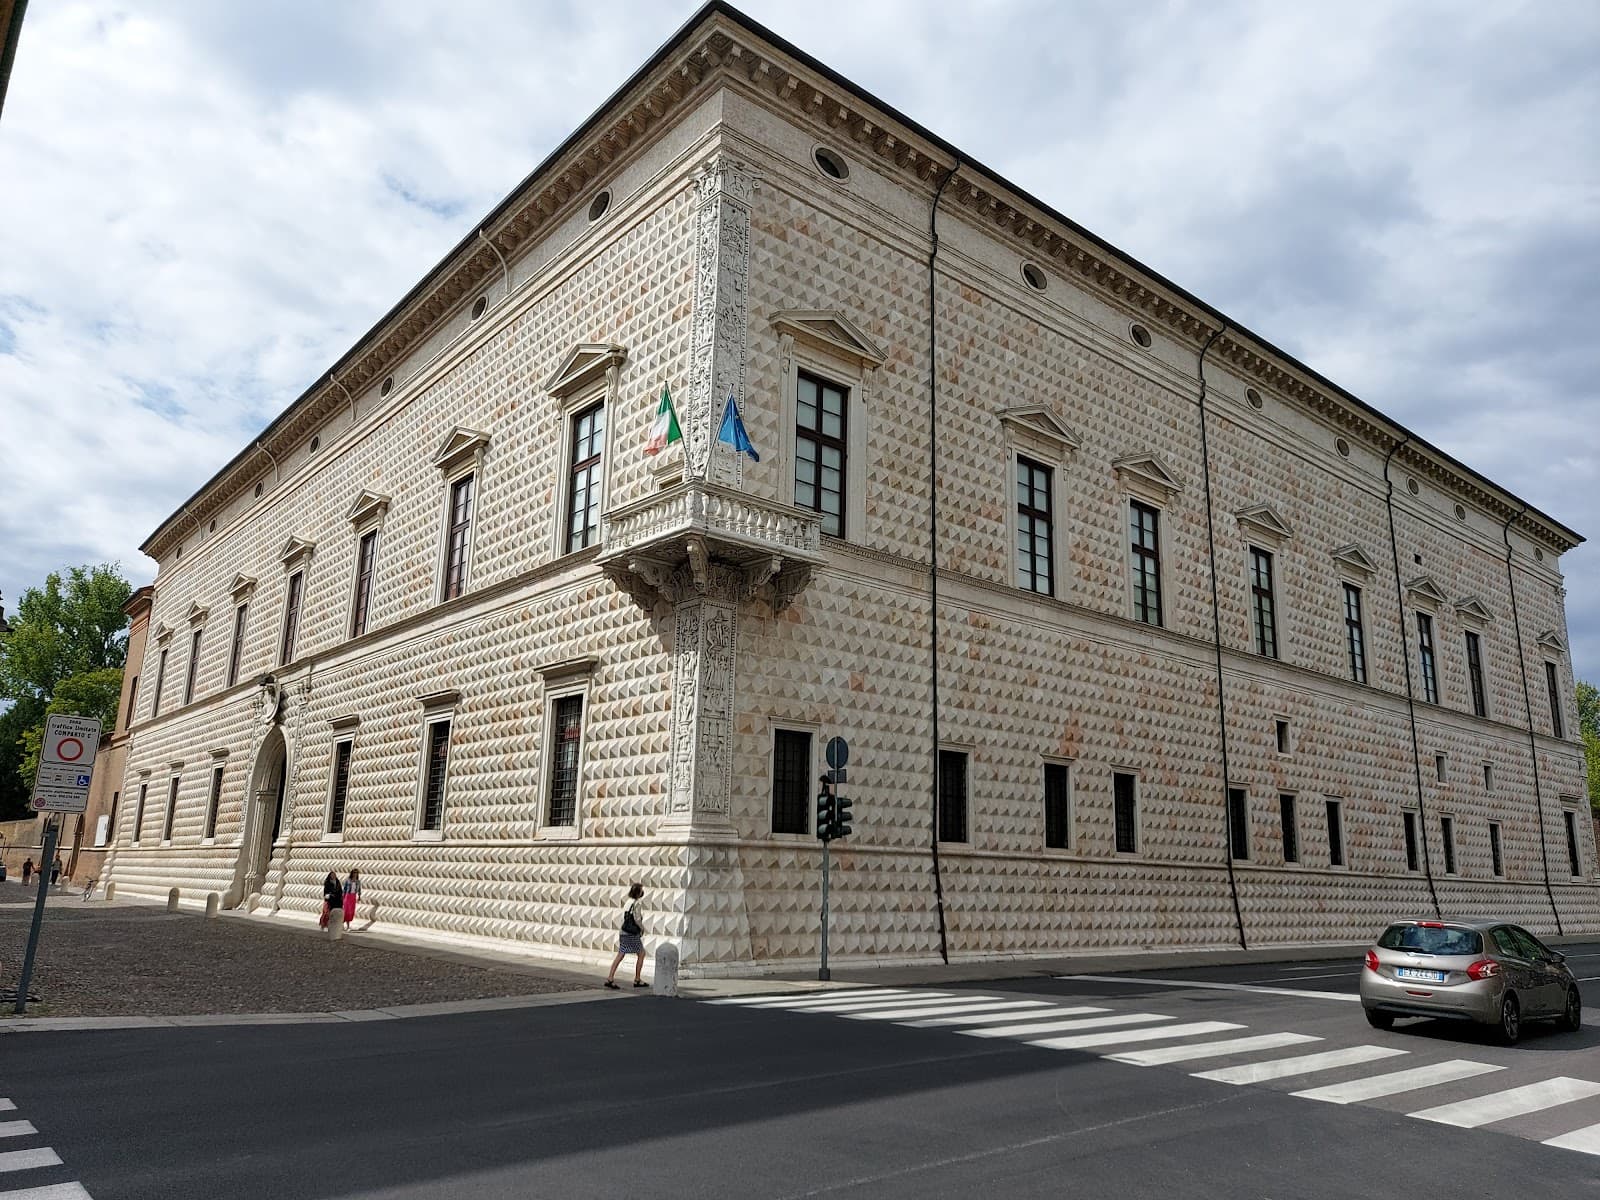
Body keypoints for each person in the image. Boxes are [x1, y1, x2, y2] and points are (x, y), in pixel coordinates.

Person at [604, 882, 648, 989]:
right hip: (631, 933)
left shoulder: (628, 902)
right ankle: (637, 979)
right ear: (638, 892)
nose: (642, 892)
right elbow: (637, 919)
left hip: (623, 932)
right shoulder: (637, 903)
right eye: (641, 890)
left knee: (620, 954)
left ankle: (610, 978)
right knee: (641, 953)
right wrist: (642, 929)